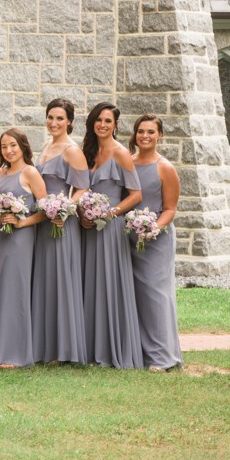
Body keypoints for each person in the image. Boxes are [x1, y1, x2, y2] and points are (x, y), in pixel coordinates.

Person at [80, 102, 143, 369]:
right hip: (87, 228)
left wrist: (111, 213)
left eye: (108, 121)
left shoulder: (121, 154)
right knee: (88, 283)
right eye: (98, 120)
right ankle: (89, 348)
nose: (102, 125)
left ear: (116, 125)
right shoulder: (88, 152)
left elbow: (136, 194)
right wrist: (83, 213)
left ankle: (111, 348)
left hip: (110, 228)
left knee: (108, 284)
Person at [32, 99, 89, 366]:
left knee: (60, 280)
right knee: (45, 280)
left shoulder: (71, 150)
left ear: (69, 122)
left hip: (61, 224)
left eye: (59, 118)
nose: (54, 123)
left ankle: (64, 349)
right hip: (43, 220)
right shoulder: (46, 146)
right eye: (50, 117)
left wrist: (64, 210)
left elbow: (82, 188)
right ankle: (46, 346)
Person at [128, 114, 183, 372]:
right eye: (141, 131)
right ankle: (139, 352)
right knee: (135, 295)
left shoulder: (165, 167)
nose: (145, 136)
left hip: (156, 240)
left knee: (156, 295)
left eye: (151, 132)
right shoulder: (127, 163)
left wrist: (153, 229)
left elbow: (170, 209)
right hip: (129, 238)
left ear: (160, 135)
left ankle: (163, 358)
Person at [0, 128, 47, 369]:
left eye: (13, 145)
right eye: (4, 146)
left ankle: (15, 352)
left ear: (23, 146)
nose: (9, 150)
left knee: (16, 290)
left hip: (21, 239)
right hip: (1, 237)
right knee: (0, 289)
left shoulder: (30, 172)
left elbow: (45, 210)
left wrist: (22, 222)